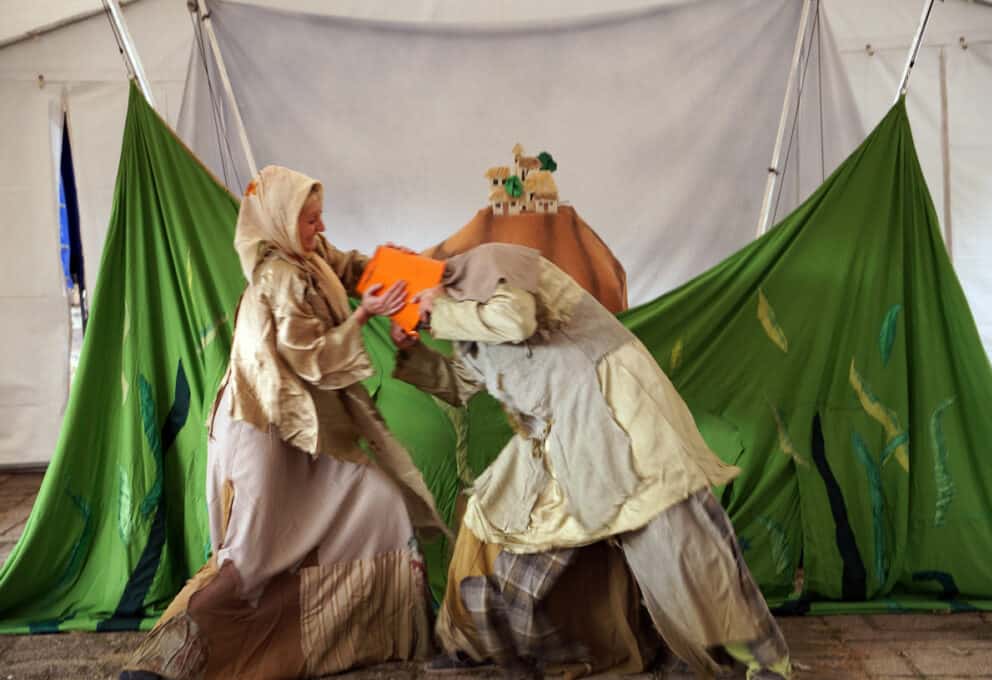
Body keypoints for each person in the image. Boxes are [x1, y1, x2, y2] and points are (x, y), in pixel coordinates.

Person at [391, 243, 791, 680]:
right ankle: (493, 645)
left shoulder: (488, 262)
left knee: (682, 545)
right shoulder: (463, 322)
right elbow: (460, 385)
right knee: (496, 525)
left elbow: (517, 319)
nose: (412, 309)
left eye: (405, 292)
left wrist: (440, 309)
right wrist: (413, 352)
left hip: (615, 414)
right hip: (557, 437)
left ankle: (760, 662)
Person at [121, 165, 445, 680]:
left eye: (319, 218)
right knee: (250, 558)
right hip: (263, 428)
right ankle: (164, 665)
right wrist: (364, 316)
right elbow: (309, 355)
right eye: (311, 220)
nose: (321, 228)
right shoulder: (279, 277)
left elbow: (350, 266)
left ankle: (390, 632)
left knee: (381, 502)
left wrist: (401, 268)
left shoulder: (308, 255)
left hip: (305, 425)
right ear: (279, 221)